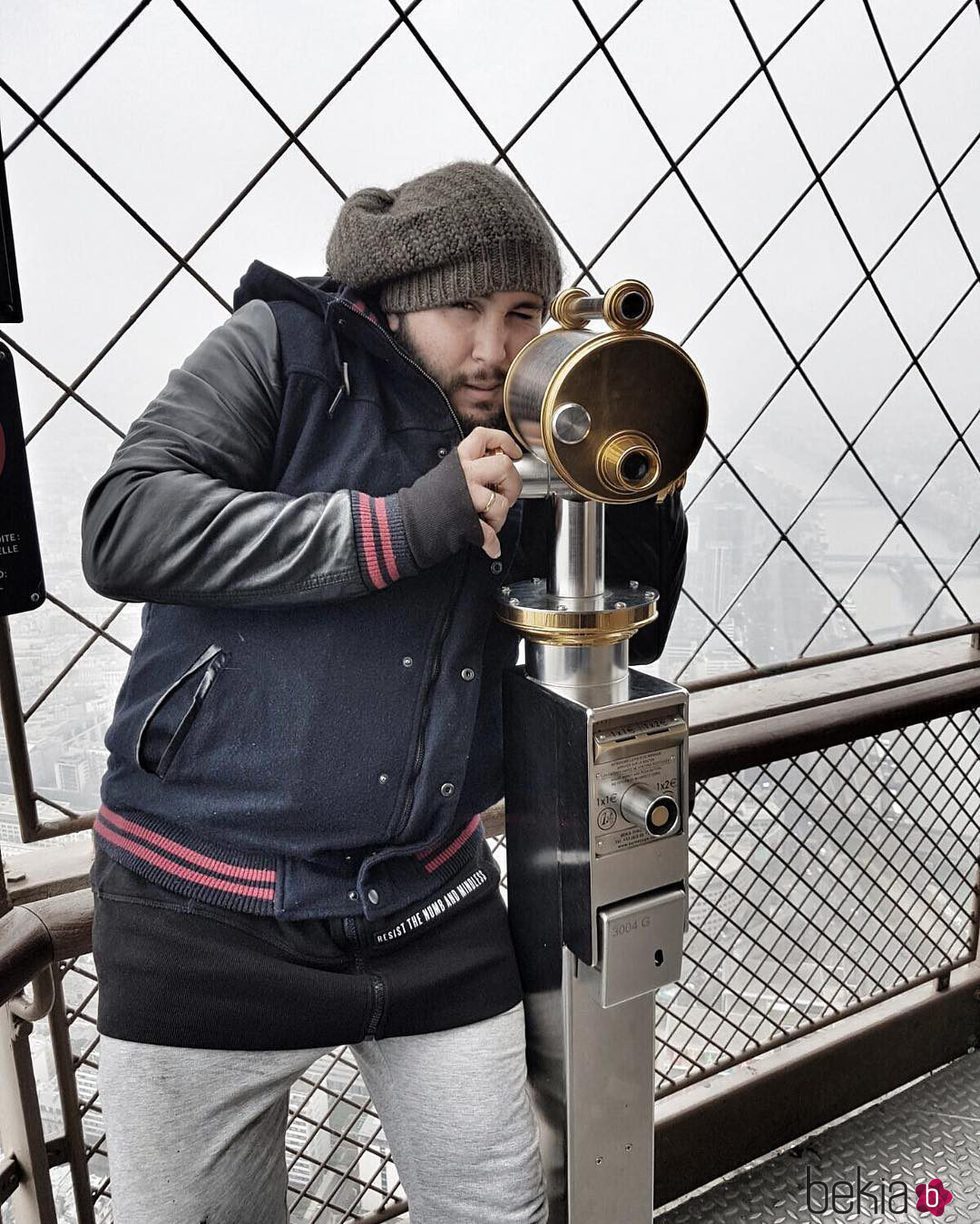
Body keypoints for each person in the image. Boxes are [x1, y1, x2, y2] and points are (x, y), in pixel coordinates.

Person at [80, 160, 688, 1224]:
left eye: (519, 312)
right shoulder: (279, 352)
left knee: (498, 1207)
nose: (493, 349)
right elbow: (124, 522)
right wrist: (403, 524)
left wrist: (636, 490)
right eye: (461, 309)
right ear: (393, 298)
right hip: (200, 908)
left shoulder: (520, 426)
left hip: (426, 900)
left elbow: (607, 624)